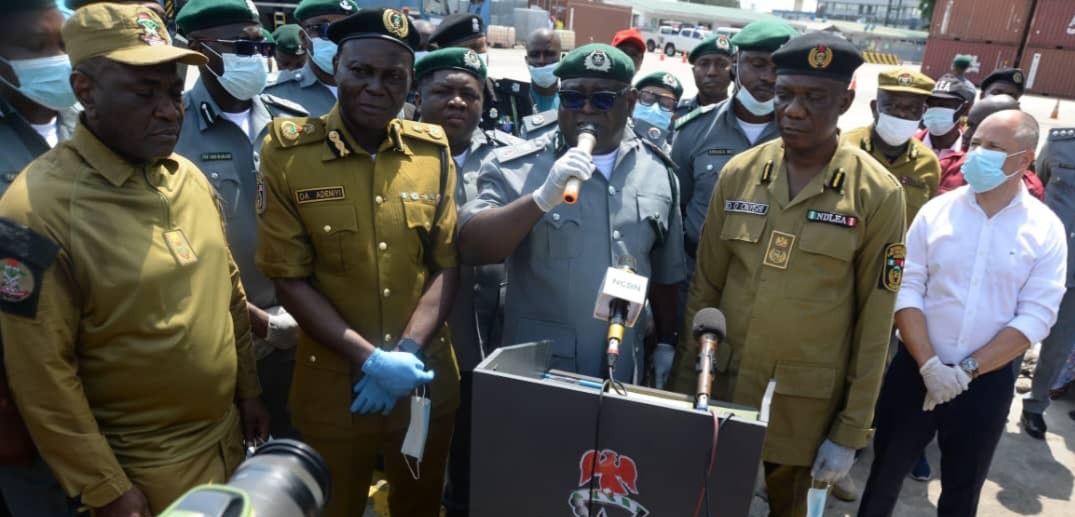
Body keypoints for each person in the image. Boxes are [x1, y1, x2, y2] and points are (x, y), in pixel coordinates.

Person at [0, 4, 269, 516]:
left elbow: (228, 291)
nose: (169, 110)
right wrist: (104, 487)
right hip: (139, 474)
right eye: (145, 94)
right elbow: (41, 374)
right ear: (85, 91)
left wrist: (249, 392)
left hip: (226, 443)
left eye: (173, 92)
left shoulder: (187, 178)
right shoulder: (33, 210)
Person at [669, 32, 906, 517]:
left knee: (789, 508)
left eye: (814, 98)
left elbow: (876, 323)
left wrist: (850, 430)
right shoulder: (740, 173)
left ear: (845, 102)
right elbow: (705, 289)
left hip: (805, 405)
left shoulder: (876, 193)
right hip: (724, 385)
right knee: (706, 502)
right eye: (785, 95)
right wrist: (681, 387)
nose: (794, 111)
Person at [255, 9, 460, 517]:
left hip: (421, 383)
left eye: (394, 76)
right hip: (334, 388)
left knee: (418, 506)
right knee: (334, 508)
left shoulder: (431, 152)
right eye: (361, 71)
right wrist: (372, 361)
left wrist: (405, 353)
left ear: (410, 83)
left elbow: (446, 265)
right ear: (336, 68)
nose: (376, 87)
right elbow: (288, 279)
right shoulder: (289, 152)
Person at [857, 110, 1066, 517]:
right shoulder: (937, 211)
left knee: (961, 489)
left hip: (986, 382)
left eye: (993, 147)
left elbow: (1036, 316)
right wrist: (929, 365)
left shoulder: (1045, 229)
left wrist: (966, 371)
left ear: (1025, 159)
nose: (977, 154)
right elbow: (907, 286)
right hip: (915, 371)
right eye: (975, 143)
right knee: (883, 476)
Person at [458, 43, 686, 385]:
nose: (586, 110)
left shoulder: (658, 172)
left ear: (630, 102)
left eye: (603, 99)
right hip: (540, 372)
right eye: (573, 98)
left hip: (623, 368)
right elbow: (472, 245)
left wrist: (666, 343)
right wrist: (540, 199)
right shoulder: (517, 166)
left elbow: (665, 274)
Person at [174, 0, 309, 441]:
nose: (258, 58)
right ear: (200, 50)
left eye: (262, 47)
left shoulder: (295, 123)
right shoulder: (171, 130)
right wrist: (260, 322)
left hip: (303, 332)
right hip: (218, 339)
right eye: (244, 47)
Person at [412, 47, 512, 517]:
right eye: (443, 91)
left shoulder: (510, 157)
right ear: (418, 96)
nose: (457, 102)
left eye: (469, 94)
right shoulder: (393, 154)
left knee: (474, 463)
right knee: (414, 456)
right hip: (414, 340)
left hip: (488, 340)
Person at [0, 3, 81, 515]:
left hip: (110, 376)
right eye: (36, 48)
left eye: (64, 46)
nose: (57, 60)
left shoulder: (93, 125)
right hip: (21, 394)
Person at [670, 19, 796, 264]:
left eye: (778, 68)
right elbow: (676, 208)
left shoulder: (803, 136)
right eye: (757, 65)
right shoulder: (694, 130)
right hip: (698, 270)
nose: (768, 77)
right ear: (735, 65)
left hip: (770, 275)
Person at [1018, 126, 1075, 439]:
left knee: (1057, 346)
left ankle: (1035, 406)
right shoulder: (1060, 143)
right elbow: (1035, 187)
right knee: (1016, 332)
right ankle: (996, 399)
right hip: (1039, 260)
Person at [840, 69, 939, 224]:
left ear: (923, 113)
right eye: (891, 106)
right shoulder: (844, 146)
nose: (902, 114)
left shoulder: (928, 163)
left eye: (913, 108)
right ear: (874, 108)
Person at [430, 12, 532, 136]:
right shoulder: (433, 101)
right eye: (463, 51)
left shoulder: (514, 99)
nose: (472, 56)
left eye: (478, 47)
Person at [937, 94, 1045, 200]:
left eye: (993, 145)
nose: (966, 134)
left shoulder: (1029, 187)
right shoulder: (947, 166)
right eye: (969, 125)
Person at [263, 0, 358, 118]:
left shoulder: (373, 88)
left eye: (346, 29)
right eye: (325, 29)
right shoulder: (273, 94)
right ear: (303, 38)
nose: (335, 37)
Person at [675, 33, 735, 120]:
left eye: (722, 64)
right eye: (704, 64)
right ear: (694, 71)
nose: (712, 72)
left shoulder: (742, 118)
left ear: (733, 71)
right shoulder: (676, 113)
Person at [915, 73, 974, 160]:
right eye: (931, 104)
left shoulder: (971, 152)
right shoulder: (909, 145)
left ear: (964, 108)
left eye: (945, 105)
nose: (936, 109)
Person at [631, 71, 682, 148]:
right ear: (633, 100)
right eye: (647, 99)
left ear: (674, 115)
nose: (655, 109)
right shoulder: (613, 139)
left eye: (666, 105)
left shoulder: (671, 153)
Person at [526, 28, 562, 113]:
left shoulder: (572, 102)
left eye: (549, 54)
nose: (541, 61)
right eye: (534, 55)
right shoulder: (514, 99)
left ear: (562, 59)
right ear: (526, 61)